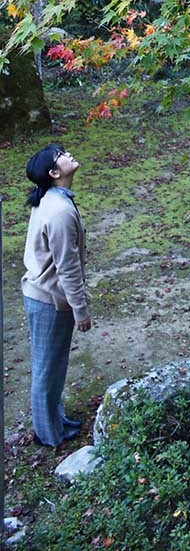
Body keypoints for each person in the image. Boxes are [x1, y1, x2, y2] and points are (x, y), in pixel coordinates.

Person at [21, 142, 91, 447]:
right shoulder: (59, 210)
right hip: (49, 299)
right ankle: (48, 435)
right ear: (53, 172)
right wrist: (81, 310)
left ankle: (53, 419)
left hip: (43, 295)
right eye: (60, 155)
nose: (67, 155)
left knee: (52, 365)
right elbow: (68, 268)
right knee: (47, 368)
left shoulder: (52, 199)